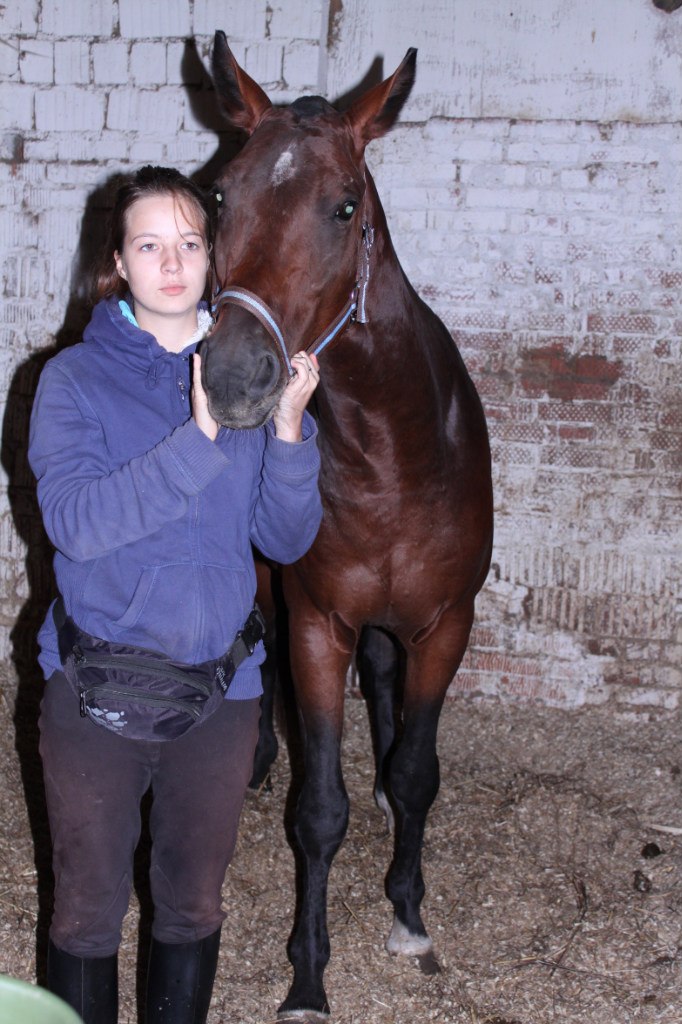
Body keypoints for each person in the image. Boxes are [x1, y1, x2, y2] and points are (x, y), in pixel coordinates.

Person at [28, 165, 322, 1024]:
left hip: (219, 694)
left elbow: (285, 540)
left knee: (193, 906)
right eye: (149, 244)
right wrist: (198, 436)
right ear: (117, 262)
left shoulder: (246, 374)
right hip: (96, 686)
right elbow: (77, 523)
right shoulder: (72, 381)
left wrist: (289, 432)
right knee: (86, 914)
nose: (171, 262)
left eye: (190, 243)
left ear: (213, 256)